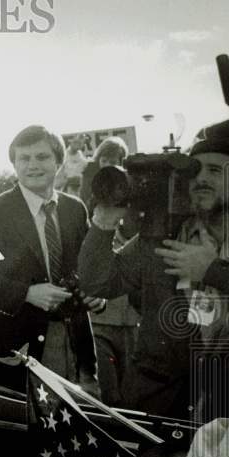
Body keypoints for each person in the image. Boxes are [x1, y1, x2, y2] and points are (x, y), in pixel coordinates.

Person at [78, 117, 229, 420]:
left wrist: (213, 271)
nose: (200, 179)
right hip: (159, 404)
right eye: (195, 170)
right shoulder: (166, 234)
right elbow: (98, 284)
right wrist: (104, 220)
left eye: (214, 170)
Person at [0, 125, 102, 394]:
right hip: (17, 348)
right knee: (23, 431)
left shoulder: (74, 209)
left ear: (58, 161)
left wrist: (97, 293)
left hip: (72, 342)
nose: (33, 165)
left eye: (42, 157)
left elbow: (90, 266)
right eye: (24, 158)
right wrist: (24, 293)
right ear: (14, 163)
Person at [78, 136, 138, 405]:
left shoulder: (137, 211)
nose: (111, 168)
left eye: (117, 162)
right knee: (109, 394)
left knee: (132, 391)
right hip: (100, 320)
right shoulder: (88, 209)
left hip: (131, 319)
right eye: (105, 161)